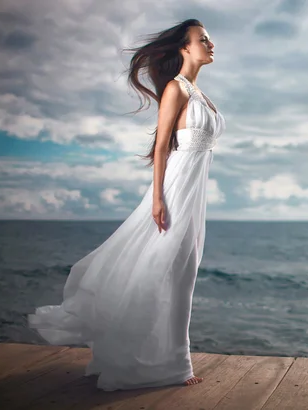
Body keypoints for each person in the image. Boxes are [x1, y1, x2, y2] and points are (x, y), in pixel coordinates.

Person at [27, 18, 225, 391]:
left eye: (210, 39)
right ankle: (174, 365)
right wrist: (157, 199)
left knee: (183, 273)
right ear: (185, 47)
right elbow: (162, 146)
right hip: (175, 190)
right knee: (167, 271)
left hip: (195, 196)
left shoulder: (200, 94)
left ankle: (156, 356)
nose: (211, 44)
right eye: (203, 39)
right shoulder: (176, 90)